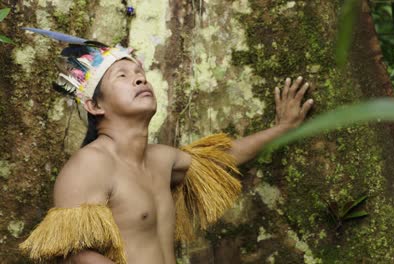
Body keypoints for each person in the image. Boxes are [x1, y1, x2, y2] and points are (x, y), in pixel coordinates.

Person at [18, 28, 314, 264]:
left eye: (140, 75)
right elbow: (71, 254)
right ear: (95, 105)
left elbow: (222, 159)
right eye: (122, 76)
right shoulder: (89, 165)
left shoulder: (161, 160)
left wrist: (282, 128)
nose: (138, 80)